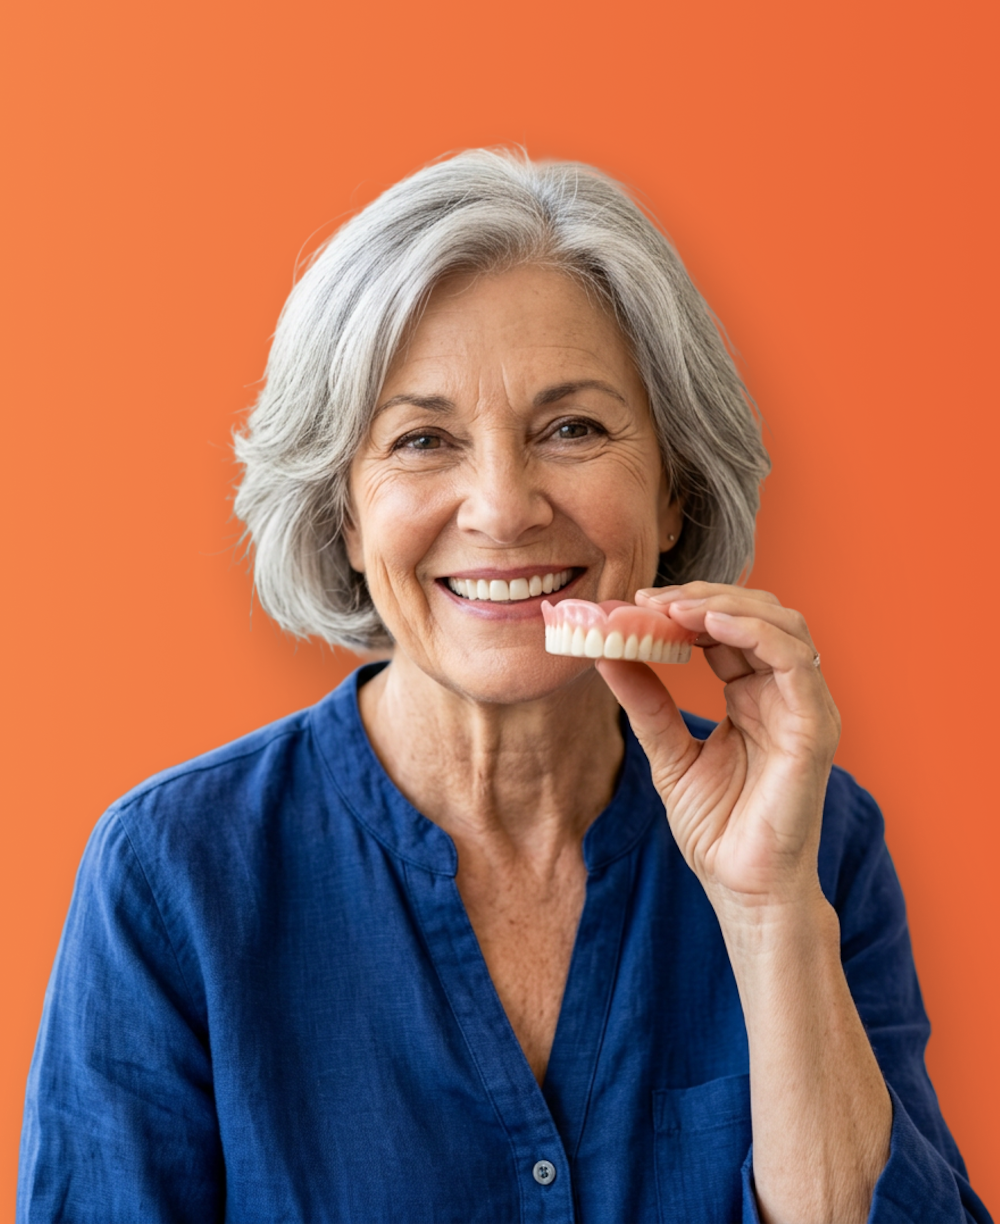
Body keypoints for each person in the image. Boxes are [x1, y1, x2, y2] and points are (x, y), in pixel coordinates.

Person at [17, 148, 992, 1224]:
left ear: (672, 490)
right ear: (343, 515)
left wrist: (771, 917)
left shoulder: (816, 839)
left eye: (571, 429)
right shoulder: (174, 873)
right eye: (422, 439)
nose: (502, 505)